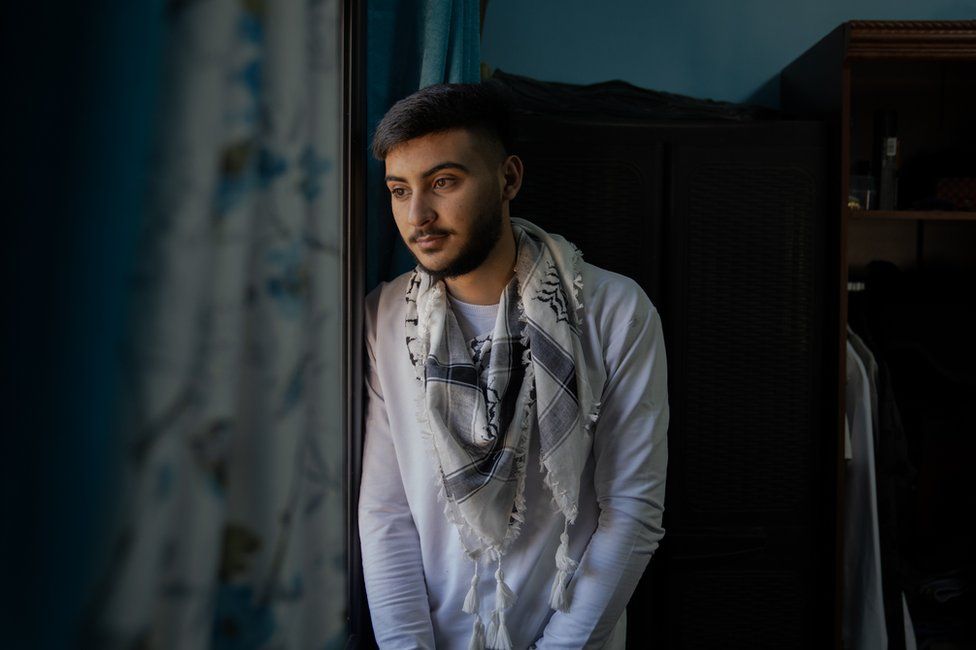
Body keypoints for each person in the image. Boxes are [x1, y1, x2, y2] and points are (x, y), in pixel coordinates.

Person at [359, 82, 669, 650]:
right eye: (399, 191)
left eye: (443, 182)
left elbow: (632, 512)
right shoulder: (384, 318)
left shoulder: (612, 311)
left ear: (508, 178)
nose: (418, 215)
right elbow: (385, 513)